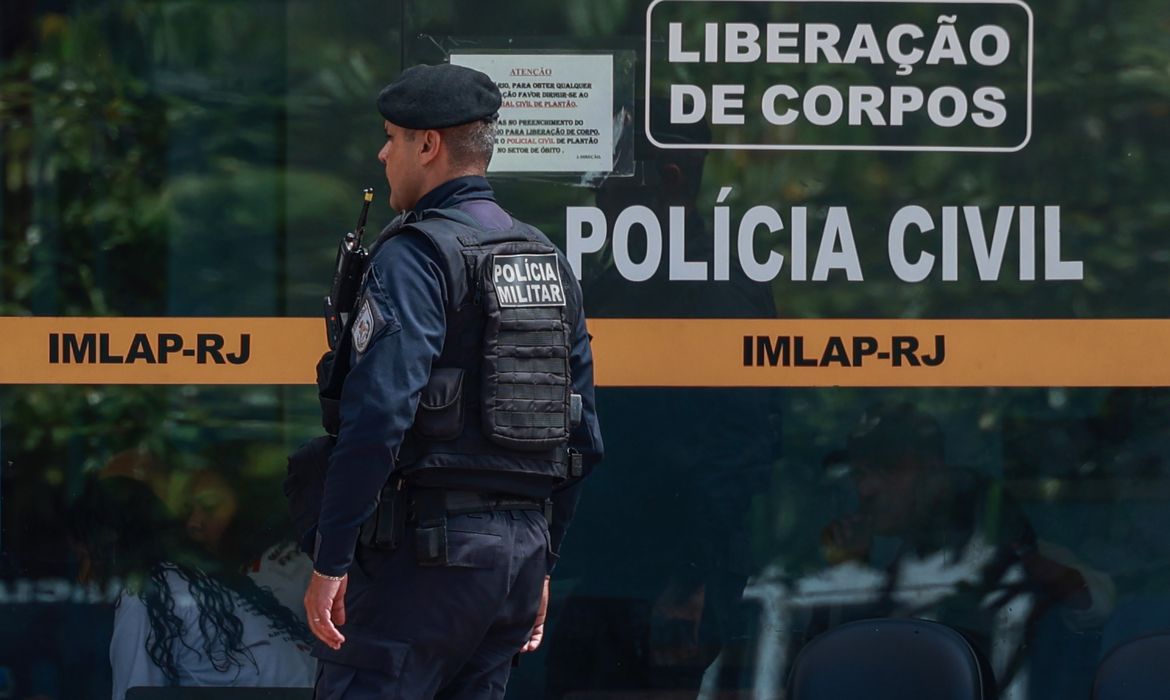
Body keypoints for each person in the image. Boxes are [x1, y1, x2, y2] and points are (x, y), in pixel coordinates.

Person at [304, 62, 603, 700]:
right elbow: (579, 432)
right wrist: (540, 560)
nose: (384, 153)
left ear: (429, 145)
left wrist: (332, 558)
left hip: (426, 560)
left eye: (392, 136)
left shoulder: (416, 255)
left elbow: (379, 414)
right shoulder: (546, 258)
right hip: (515, 565)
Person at [67, 476, 315, 700]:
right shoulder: (205, 579)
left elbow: (132, 694)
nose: (82, 577)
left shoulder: (147, 594)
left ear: (108, 546)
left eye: (84, 558)